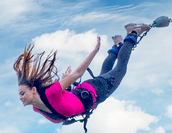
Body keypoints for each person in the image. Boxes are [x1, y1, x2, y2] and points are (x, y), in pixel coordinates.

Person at [15, 23, 151, 127]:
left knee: (120, 70)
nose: (20, 97)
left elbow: (78, 73)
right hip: (90, 94)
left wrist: (95, 51)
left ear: (33, 90)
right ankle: (117, 46)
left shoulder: (51, 93)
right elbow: (65, 102)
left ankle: (133, 31)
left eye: (22, 93)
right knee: (106, 73)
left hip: (96, 91)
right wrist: (66, 87)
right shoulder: (36, 109)